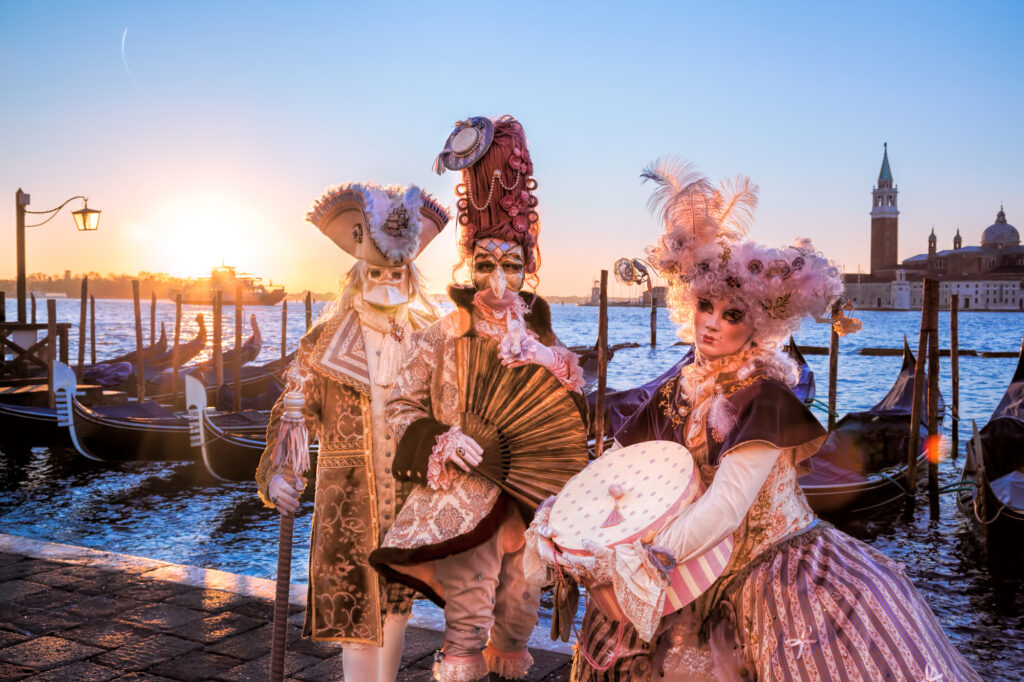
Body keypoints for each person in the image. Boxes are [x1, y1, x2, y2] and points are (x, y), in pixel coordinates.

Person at [529, 159, 980, 681]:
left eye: (733, 313)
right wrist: (572, 519)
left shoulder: (762, 398)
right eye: (705, 306)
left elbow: (725, 508)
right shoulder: (681, 383)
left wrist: (632, 562)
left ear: (759, 321)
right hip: (686, 574)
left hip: (769, 572)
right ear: (688, 302)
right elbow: (623, 467)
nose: (713, 323)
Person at [369, 116, 585, 682]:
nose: (496, 283)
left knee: (517, 616)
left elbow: (569, 411)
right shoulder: (441, 335)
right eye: (485, 265)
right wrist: (442, 438)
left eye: (509, 267)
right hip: (466, 495)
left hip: (534, 498)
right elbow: (401, 407)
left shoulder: (545, 340)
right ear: (470, 265)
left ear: (526, 268)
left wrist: (548, 362)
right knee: (468, 620)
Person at [255, 181, 449, 681]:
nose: (386, 281)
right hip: (349, 504)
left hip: (408, 500)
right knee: (358, 622)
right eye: (376, 271)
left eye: (396, 272)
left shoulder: (429, 342)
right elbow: (295, 412)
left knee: (397, 613)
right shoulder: (324, 341)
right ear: (358, 275)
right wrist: (280, 474)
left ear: (410, 276)